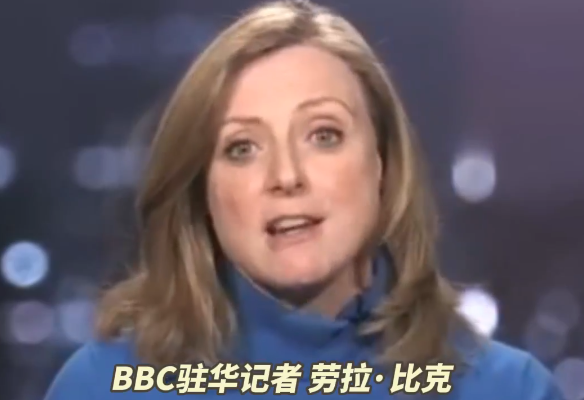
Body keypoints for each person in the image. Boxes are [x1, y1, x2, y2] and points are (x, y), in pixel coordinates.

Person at [44, 1, 564, 399]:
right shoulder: (102, 387)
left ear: (383, 163)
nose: (286, 176)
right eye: (242, 148)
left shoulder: (506, 389)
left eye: (324, 135)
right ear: (202, 191)